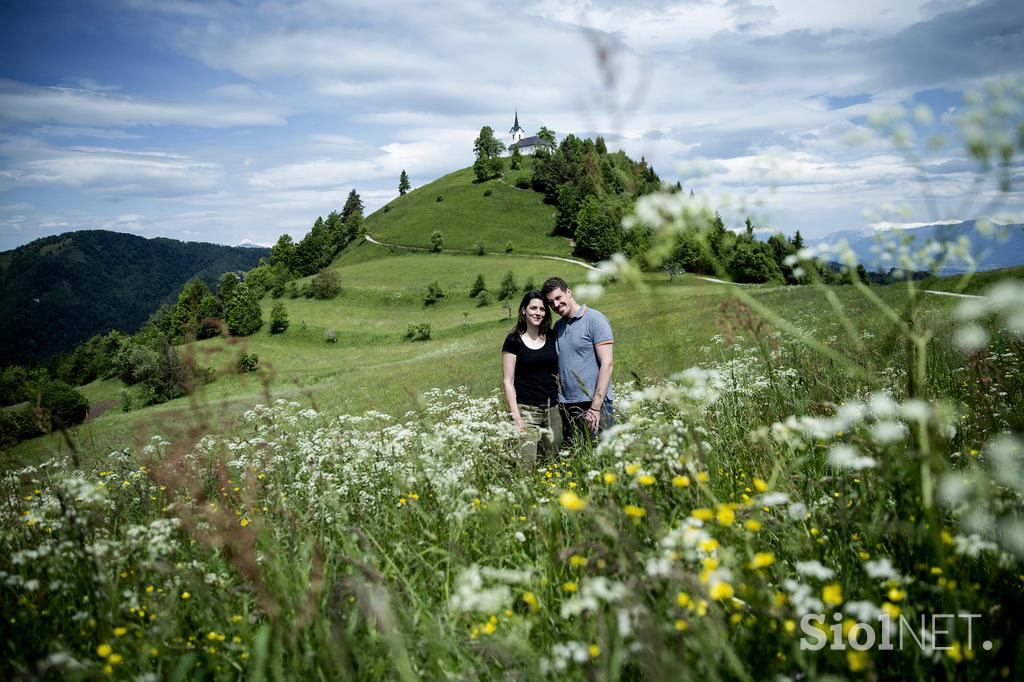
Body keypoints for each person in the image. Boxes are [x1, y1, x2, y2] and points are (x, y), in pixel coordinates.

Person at [541, 277, 614, 445]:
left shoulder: (594, 319)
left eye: (559, 298)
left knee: (603, 457)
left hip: (596, 405)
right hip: (569, 406)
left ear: (569, 292)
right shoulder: (559, 327)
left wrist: (595, 407)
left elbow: (607, 364)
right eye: (551, 303)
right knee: (580, 461)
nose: (556, 305)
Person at [501, 290, 563, 463]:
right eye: (533, 308)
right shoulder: (513, 341)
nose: (538, 313)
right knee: (526, 466)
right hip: (526, 412)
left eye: (542, 309)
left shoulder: (552, 337)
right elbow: (508, 381)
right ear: (523, 310)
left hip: (553, 412)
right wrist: (516, 417)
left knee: (552, 463)